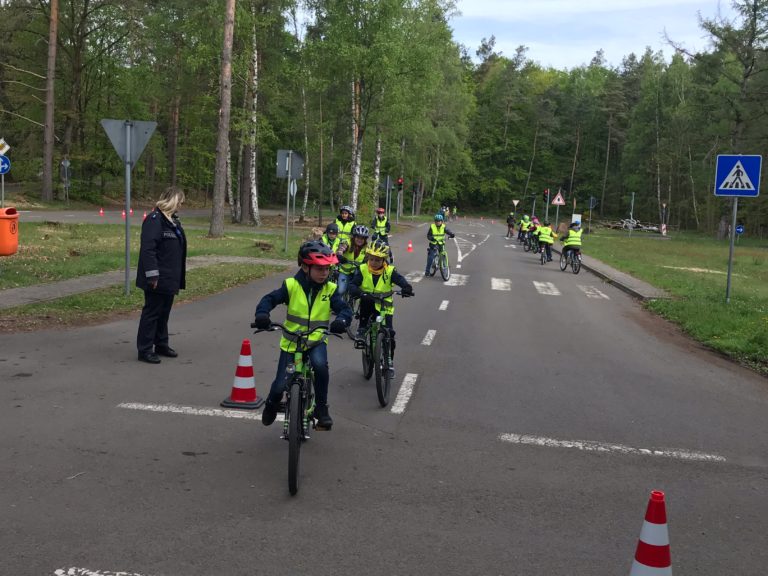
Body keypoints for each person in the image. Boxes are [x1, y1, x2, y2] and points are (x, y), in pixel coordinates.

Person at [253, 241, 352, 430]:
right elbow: (269, 299)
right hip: (292, 342)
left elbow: (344, 309)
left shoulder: (330, 289)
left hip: (316, 341)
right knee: (279, 385)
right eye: (320, 268)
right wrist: (262, 314)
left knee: (320, 367)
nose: (325, 273)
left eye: (327, 269)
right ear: (305, 266)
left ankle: (321, 409)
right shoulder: (291, 286)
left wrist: (342, 321)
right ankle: (272, 405)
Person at [136, 187, 188, 364]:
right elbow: (148, 250)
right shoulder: (154, 220)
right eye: (180, 200)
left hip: (170, 277)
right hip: (157, 278)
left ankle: (161, 344)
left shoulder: (172, 221)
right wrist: (153, 276)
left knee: (164, 312)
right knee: (152, 313)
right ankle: (145, 349)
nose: (181, 204)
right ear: (172, 200)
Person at [348, 239, 413, 375]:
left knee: (389, 334)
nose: (374, 262)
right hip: (368, 303)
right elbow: (353, 285)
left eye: (378, 260)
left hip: (385, 307)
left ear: (384, 259)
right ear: (368, 257)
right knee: (366, 305)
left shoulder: (390, 271)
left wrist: (406, 287)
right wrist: (359, 292)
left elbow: (400, 280)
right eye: (371, 259)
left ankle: (388, 363)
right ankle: (361, 330)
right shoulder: (362, 269)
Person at [336, 224, 369, 296]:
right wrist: (340, 255)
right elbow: (341, 249)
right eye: (358, 237)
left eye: (362, 238)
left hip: (357, 272)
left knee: (358, 293)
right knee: (341, 291)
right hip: (344, 272)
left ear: (365, 239)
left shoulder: (367, 248)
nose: (359, 240)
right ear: (354, 237)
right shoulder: (347, 242)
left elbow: (369, 258)